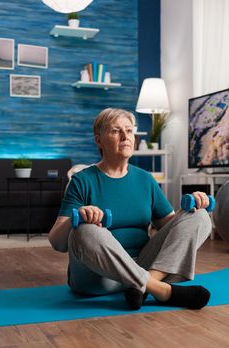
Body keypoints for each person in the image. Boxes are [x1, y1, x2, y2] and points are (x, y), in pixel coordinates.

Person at [49, 108, 212, 310]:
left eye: (129, 130)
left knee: (200, 217)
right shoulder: (82, 181)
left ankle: (142, 285)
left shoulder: (145, 179)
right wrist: (79, 218)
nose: (126, 136)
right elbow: (57, 242)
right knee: (84, 230)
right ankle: (160, 290)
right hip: (97, 278)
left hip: (143, 264)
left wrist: (191, 210)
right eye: (116, 131)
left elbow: (171, 227)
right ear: (99, 140)